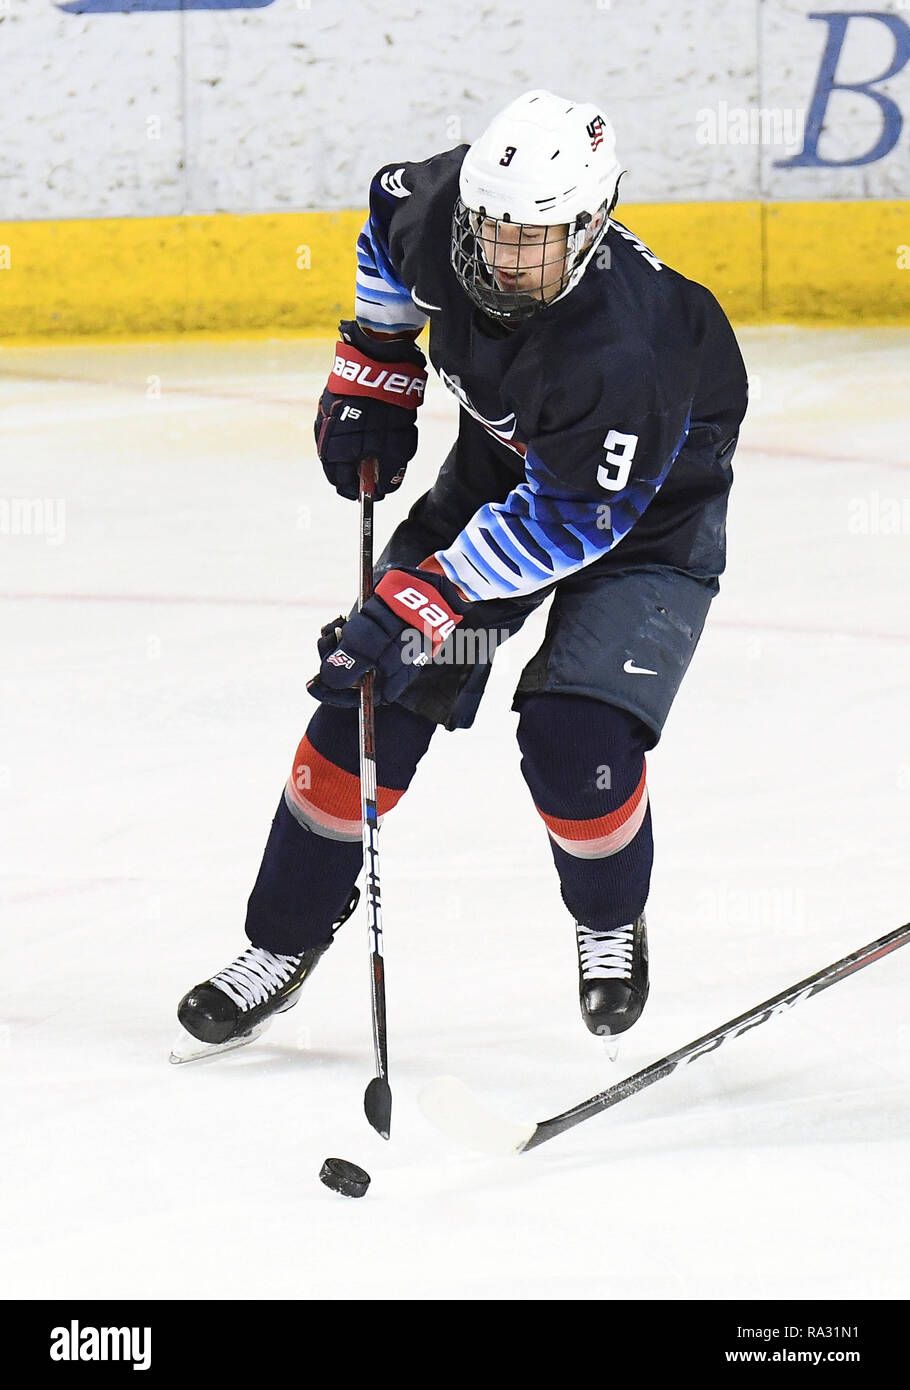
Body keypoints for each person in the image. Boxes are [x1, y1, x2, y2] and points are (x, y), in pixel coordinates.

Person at [174, 89, 748, 1059]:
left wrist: (424, 599)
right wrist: (376, 368)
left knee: (575, 735)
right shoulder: (439, 209)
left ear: (593, 224)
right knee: (369, 699)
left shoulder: (626, 348)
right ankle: (277, 944)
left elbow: (572, 521)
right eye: (491, 231)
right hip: (500, 479)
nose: (504, 260)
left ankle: (607, 918)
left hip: (645, 524)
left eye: (535, 241)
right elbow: (383, 234)